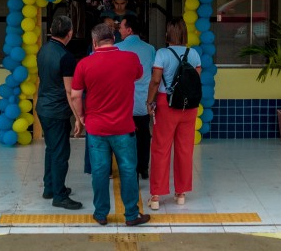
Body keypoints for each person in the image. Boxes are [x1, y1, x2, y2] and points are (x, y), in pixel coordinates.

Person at [71, 22, 150, 227]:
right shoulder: (130, 59)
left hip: (96, 129)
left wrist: (81, 118)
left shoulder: (84, 64)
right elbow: (139, 75)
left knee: (99, 171)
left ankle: (100, 214)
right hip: (124, 127)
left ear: (94, 42)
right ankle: (131, 215)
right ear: (114, 39)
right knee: (128, 170)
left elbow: (76, 95)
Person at [146, 17, 203, 210]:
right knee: (185, 149)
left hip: (166, 104)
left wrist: (149, 101)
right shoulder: (194, 54)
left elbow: (155, 80)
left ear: (167, 33)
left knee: (161, 148)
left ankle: (155, 196)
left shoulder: (162, 53)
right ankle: (180, 194)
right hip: (189, 107)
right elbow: (194, 80)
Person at [36, 14, 82, 210]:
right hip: (57, 111)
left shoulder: (43, 50)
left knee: (51, 149)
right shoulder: (66, 57)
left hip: (43, 108)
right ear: (69, 34)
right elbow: (70, 92)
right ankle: (60, 195)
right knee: (61, 153)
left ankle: (50, 187)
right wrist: (79, 118)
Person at [115, 12, 155, 181]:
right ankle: (143, 168)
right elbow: (154, 74)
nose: (119, 30)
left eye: (121, 27)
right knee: (144, 135)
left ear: (129, 30)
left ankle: (128, 169)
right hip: (143, 101)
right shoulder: (150, 49)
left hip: (123, 102)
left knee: (124, 137)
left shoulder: (117, 48)